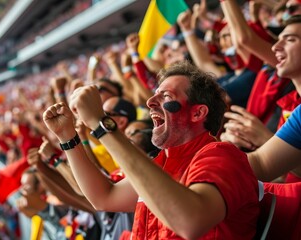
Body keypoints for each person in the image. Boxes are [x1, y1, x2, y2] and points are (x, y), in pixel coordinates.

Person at [43, 61, 259, 239]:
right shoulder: (161, 165)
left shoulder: (222, 156)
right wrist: (67, 137)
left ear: (197, 113)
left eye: (165, 97)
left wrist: (101, 124)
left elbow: (190, 222)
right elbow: (104, 197)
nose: (149, 102)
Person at [248, 15, 301, 182]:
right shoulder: (291, 103)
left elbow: (262, 164)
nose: (275, 47)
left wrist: (264, 138)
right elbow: (280, 174)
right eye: (278, 40)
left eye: (290, 39)